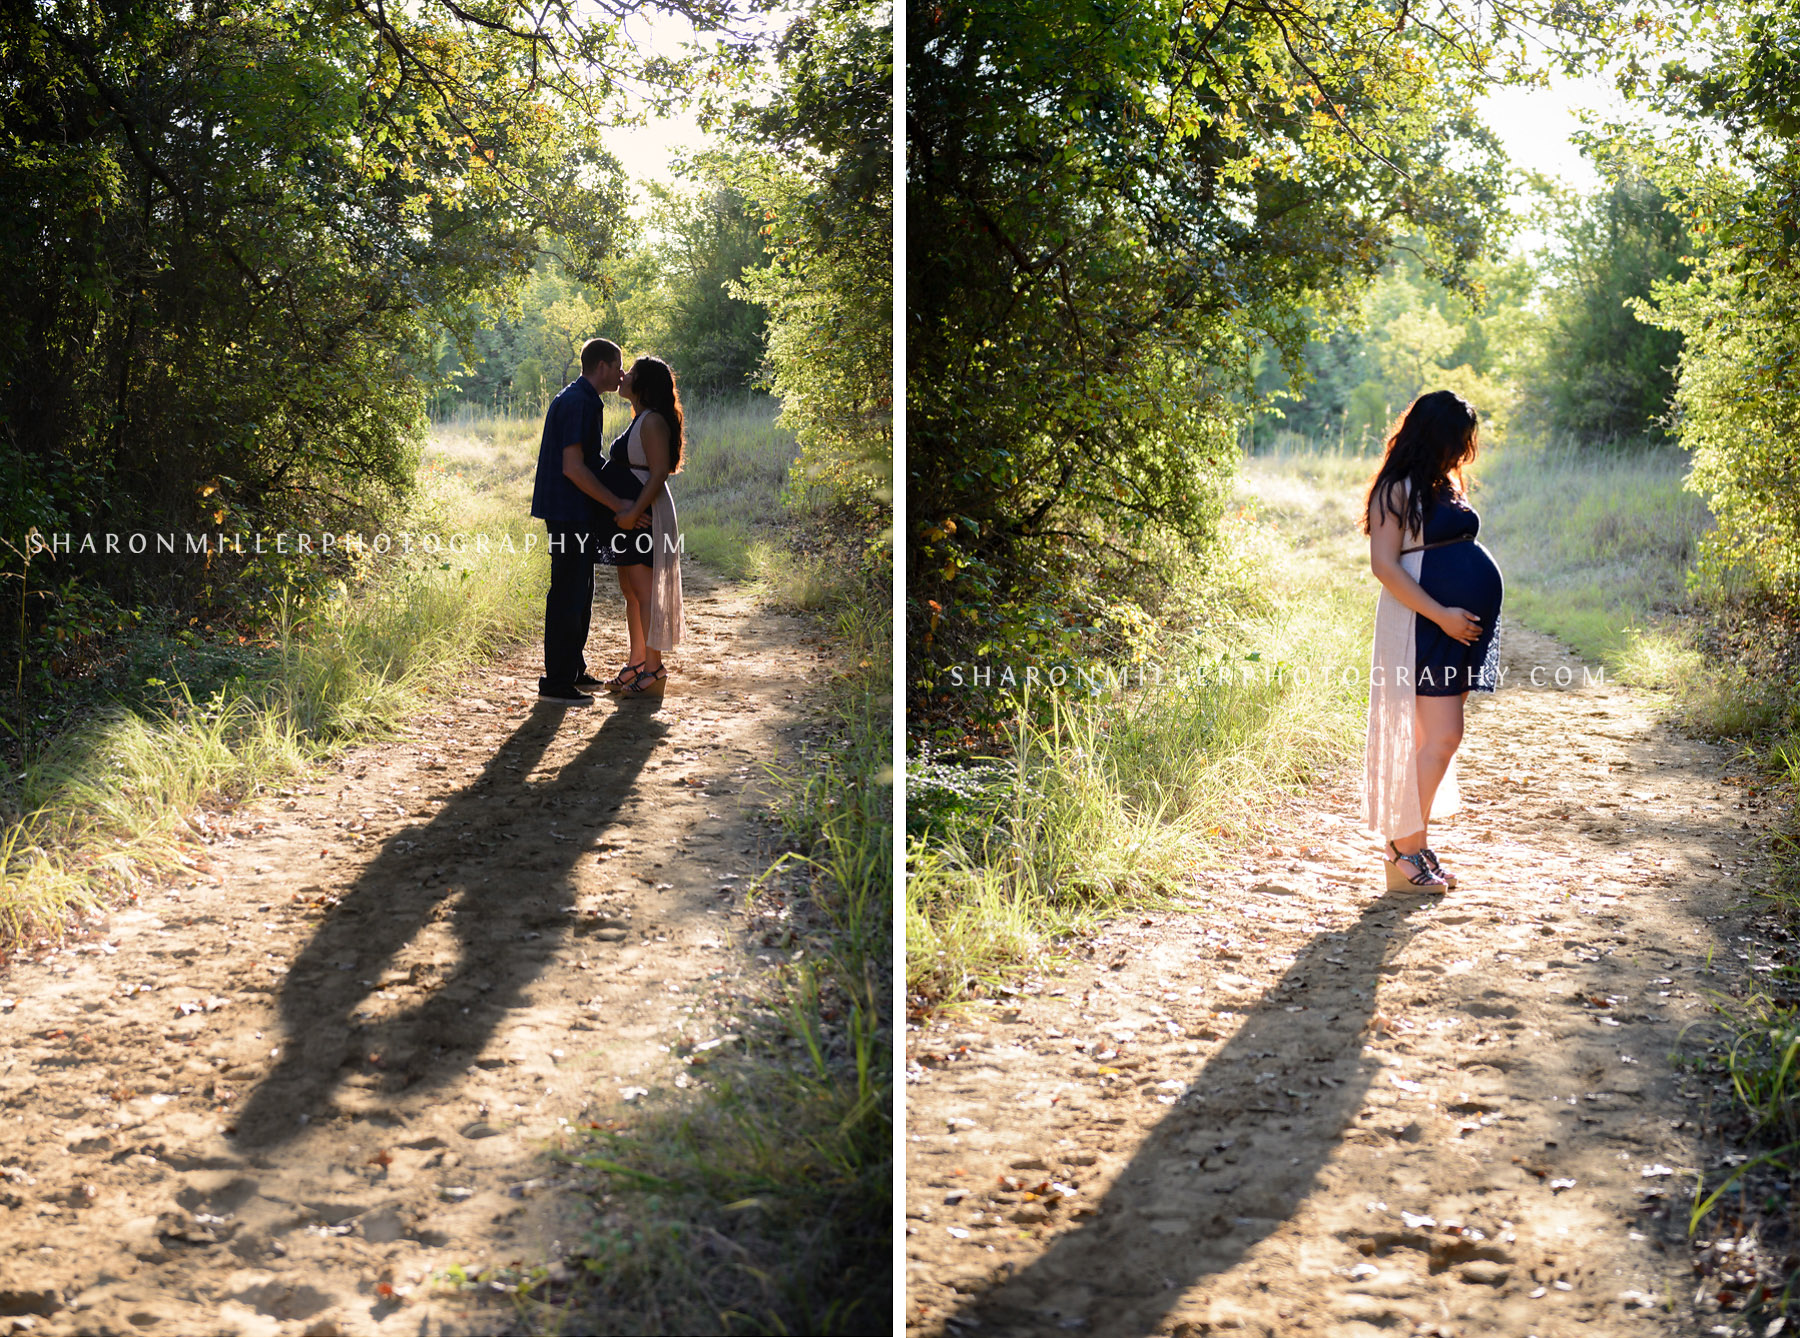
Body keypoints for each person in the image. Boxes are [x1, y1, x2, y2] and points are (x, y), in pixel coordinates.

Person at [1360, 390, 1504, 891]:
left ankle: (1414, 843)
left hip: (1454, 628)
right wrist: (1442, 614)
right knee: (1443, 737)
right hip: (1424, 624)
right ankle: (1402, 847)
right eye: (1458, 439)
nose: (1464, 449)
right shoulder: (1395, 489)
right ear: (1435, 434)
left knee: (1434, 739)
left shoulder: (1444, 484)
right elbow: (1384, 566)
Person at [528, 337, 643, 706]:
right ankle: (557, 682)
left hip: (576, 512)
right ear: (603, 367)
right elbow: (573, 467)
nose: (622, 373)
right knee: (567, 591)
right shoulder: (579, 402)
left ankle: (573, 669)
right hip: (567, 512)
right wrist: (618, 503)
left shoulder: (581, 398)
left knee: (582, 589)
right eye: (618, 365)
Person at [589, 355, 685, 694]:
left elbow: (659, 472)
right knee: (631, 592)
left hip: (646, 516)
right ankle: (637, 661)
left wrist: (632, 513)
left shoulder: (654, 420)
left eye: (630, 371)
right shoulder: (641, 418)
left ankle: (655, 668)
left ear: (642, 383)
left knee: (645, 593)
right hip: (631, 518)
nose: (623, 374)